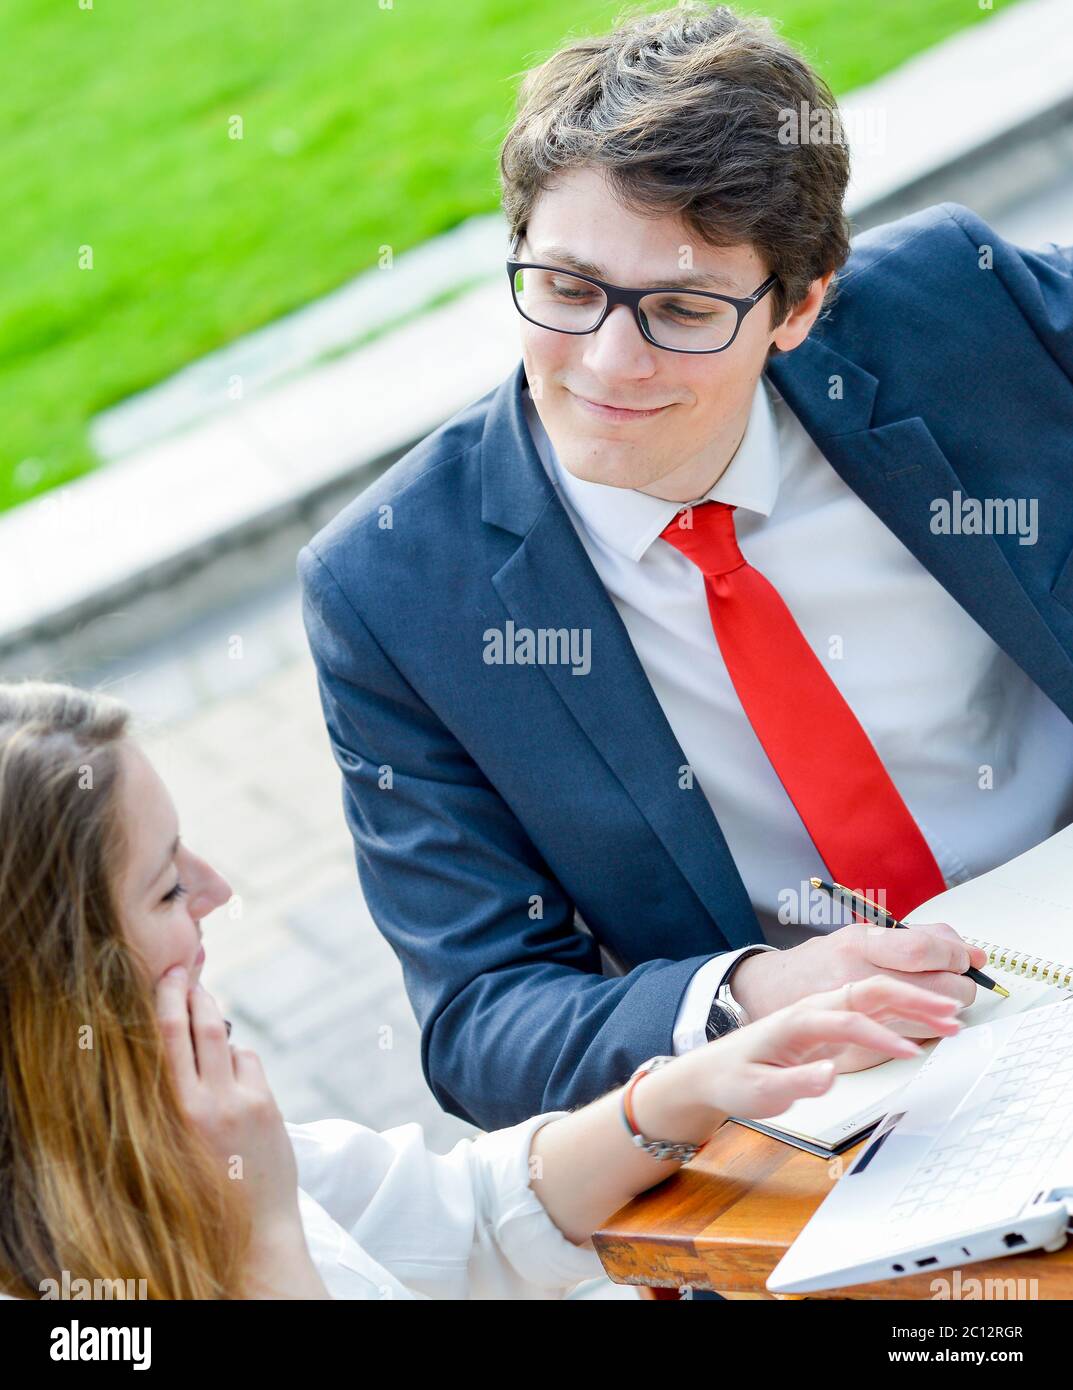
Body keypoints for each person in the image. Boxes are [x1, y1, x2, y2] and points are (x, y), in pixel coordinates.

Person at [297, 0, 1073, 1136]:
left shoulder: (963, 307)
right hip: (822, 1102)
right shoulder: (390, 590)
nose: (609, 362)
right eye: (565, 289)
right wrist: (748, 996)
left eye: (679, 308)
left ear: (800, 305)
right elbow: (477, 1013)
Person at [0, 680, 960, 1300]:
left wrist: (682, 1090)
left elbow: (462, 1222)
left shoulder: (175, 1134)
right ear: (58, 981)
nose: (217, 893)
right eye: (169, 885)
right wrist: (262, 1248)